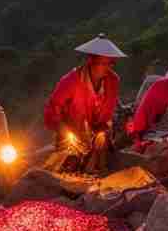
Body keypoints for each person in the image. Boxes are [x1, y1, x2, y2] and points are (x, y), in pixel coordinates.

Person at [43, 34, 126, 174]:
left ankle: (98, 168)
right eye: (105, 63)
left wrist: (102, 131)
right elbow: (51, 110)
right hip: (71, 134)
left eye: (111, 63)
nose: (109, 68)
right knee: (69, 162)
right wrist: (65, 131)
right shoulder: (70, 81)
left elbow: (107, 115)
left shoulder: (113, 81)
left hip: (95, 134)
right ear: (91, 62)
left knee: (101, 150)